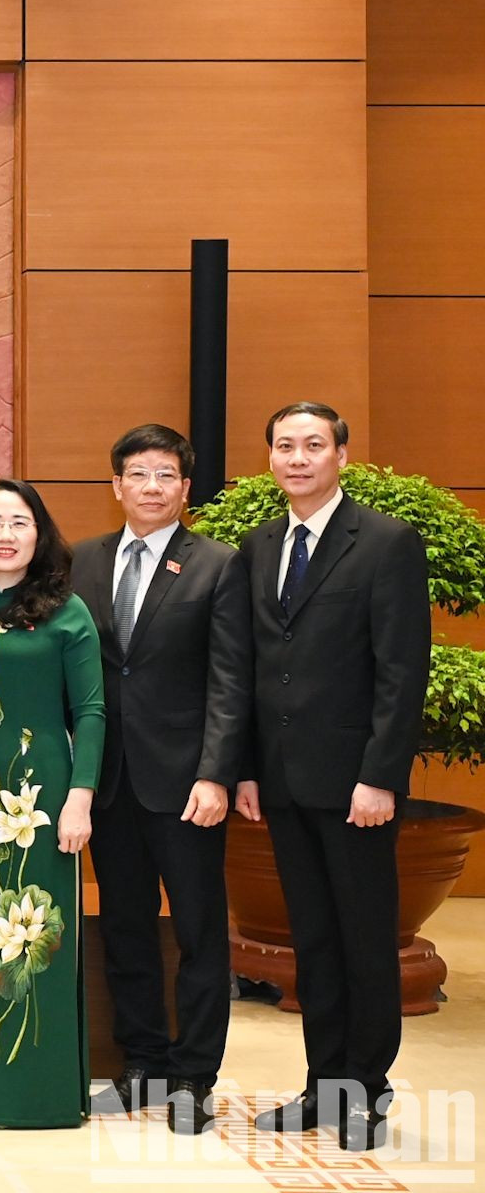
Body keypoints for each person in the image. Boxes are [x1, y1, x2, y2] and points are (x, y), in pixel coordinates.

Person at [235, 402, 430, 1152]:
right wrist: (248, 770)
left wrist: (380, 775)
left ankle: (366, 1091)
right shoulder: (259, 545)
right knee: (310, 940)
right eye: (285, 446)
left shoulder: (385, 543)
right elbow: (253, 669)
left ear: (342, 455)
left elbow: (401, 671)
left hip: (357, 787)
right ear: (271, 458)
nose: (298, 458)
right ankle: (323, 1085)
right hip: (283, 783)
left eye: (314, 445)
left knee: (363, 939)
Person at [72, 425, 250, 1135]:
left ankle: (195, 1076)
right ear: (115, 485)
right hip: (109, 783)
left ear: (185, 488)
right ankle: (142, 1061)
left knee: (201, 933)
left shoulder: (218, 564)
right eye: (137, 474)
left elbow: (232, 679)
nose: (151, 486)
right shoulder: (82, 561)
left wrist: (216, 772)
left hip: (186, 785)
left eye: (165, 475)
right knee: (126, 928)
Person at [0, 479, 102, 1128]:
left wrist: (80, 800)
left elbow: (89, 711)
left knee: (31, 937)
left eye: (19, 522)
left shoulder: (67, 611)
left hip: (38, 803)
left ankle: (38, 1095)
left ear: (40, 534)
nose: (5, 534)